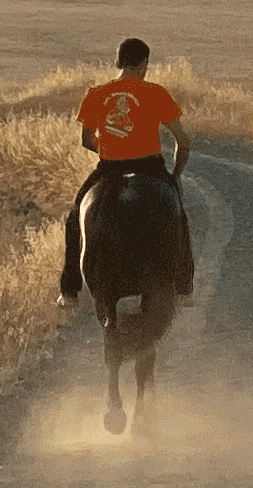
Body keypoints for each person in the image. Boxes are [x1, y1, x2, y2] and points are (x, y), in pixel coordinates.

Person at [62, 37, 192, 299]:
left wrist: (113, 150)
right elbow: (183, 142)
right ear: (144, 63)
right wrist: (175, 175)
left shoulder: (96, 94)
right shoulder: (156, 92)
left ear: (117, 62)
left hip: (109, 167)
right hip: (151, 167)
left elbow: (86, 139)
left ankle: (69, 290)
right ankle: (184, 284)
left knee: (75, 218)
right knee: (179, 217)